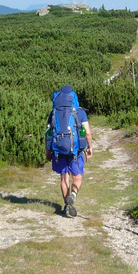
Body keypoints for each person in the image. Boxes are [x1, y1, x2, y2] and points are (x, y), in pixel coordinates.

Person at [45, 86, 93, 217]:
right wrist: (90, 147)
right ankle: (73, 195)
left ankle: (66, 205)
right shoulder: (80, 112)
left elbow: (48, 133)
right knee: (76, 176)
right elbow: (87, 132)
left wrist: (48, 152)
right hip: (75, 150)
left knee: (64, 177)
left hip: (59, 150)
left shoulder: (54, 112)